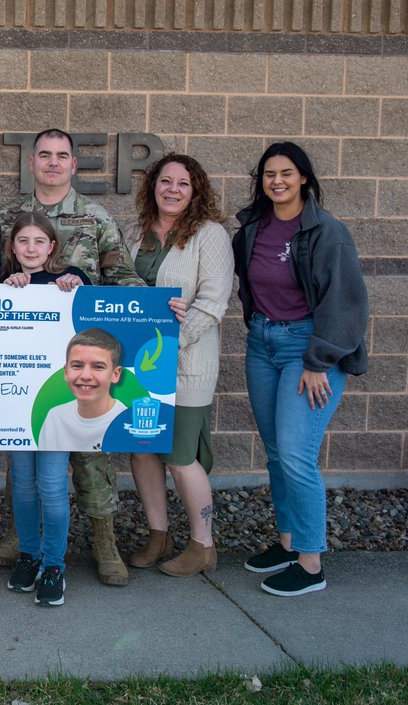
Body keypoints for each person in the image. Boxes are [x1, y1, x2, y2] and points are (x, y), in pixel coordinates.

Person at [0, 129, 145, 586]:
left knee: (91, 455)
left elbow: (123, 275)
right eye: (45, 155)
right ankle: (21, 539)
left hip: (83, 354)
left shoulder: (94, 217)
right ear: (31, 162)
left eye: (63, 156)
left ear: (74, 165)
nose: (53, 163)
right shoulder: (6, 215)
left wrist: (155, 312)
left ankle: (104, 541)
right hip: (25, 359)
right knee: (24, 455)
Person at [233, 142, 368, 597]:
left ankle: (311, 564)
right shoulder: (252, 228)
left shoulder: (327, 232)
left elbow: (345, 304)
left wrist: (317, 360)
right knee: (275, 451)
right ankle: (288, 543)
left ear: (304, 178)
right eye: (269, 174)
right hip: (262, 344)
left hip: (308, 349)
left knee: (296, 453)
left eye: (286, 173)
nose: (277, 181)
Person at [123, 154, 232, 578]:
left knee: (180, 454)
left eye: (182, 183)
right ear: (153, 186)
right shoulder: (135, 232)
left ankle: (202, 544)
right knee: (142, 449)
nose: (172, 189)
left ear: (195, 190)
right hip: (137, 365)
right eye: (165, 181)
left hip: (186, 364)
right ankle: (158, 534)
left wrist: (168, 345)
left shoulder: (210, 235)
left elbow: (213, 302)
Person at [0, 213, 90, 606]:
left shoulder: (67, 280)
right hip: (17, 403)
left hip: (56, 405)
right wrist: (3, 288)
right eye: (23, 241)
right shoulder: (7, 284)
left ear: (51, 247)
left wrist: (76, 286)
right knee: (22, 483)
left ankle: (54, 565)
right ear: (13, 247)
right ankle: (29, 554)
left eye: (39, 242)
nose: (31, 249)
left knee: (51, 485)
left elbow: (93, 311)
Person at [38, 329, 128, 451]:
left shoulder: (127, 423)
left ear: (115, 374)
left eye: (98, 367)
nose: (86, 376)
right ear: (66, 371)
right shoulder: (55, 417)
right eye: (77, 365)